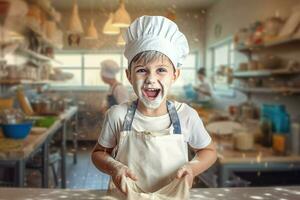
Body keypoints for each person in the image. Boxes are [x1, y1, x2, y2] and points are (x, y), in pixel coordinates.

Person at [91, 16, 217, 198]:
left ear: (175, 74)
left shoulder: (186, 116)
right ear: (129, 75)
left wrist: (191, 168)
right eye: (142, 70)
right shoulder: (117, 115)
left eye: (161, 70)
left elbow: (209, 151)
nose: (151, 79)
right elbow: (99, 154)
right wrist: (114, 167)